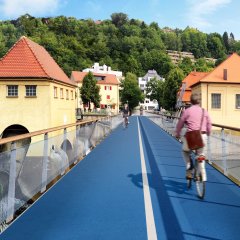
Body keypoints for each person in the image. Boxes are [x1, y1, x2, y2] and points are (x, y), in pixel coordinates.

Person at [175, 93, 212, 179]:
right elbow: (209, 124)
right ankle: (200, 174)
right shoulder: (204, 111)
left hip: (191, 137)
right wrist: (208, 133)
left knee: (185, 151)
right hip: (202, 136)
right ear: (199, 102)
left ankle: (189, 165)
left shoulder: (187, 111)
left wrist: (177, 133)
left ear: (191, 101)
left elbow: (180, 123)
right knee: (201, 154)